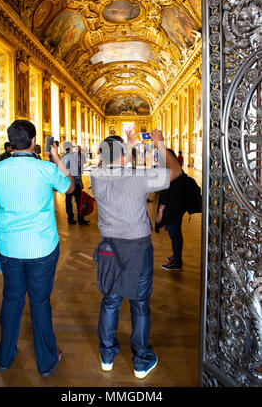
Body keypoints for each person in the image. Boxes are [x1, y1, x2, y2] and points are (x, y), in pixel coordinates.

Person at [0, 120, 74, 377]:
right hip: (42, 249)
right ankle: (46, 361)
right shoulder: (45, 169)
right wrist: (56, 158)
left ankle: (5, 356)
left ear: (10, 144)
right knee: (40, 302)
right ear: (33, 142)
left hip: (9, 249)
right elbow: (70, 188)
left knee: (11, 300)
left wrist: (5, 233)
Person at [91, 128, 182, 379]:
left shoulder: (96, 176)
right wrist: (160, 145)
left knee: (110, 301)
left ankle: (107, 355)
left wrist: (125, 148)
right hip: (137, 248)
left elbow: (111, 164)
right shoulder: (140, 178)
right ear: (122, 156)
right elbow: (175, 172)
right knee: (140, 304)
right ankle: (141, 360)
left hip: (109, 248)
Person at [155, 149, 185, 271]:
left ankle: (177, 261)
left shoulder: (169, 172)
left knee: (175, 234)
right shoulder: (175, 170)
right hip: (176, 206)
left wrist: (160, 211)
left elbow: (166, 193)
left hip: (172, 208)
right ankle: (176, 256)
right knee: (175, 234)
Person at [61, 142, 89, 225]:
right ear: (69, 147)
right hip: (74, 182)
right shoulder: (73, 157)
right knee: (78, 201)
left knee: (69, 201)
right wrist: (80, 180)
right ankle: (80, 219)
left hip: (68, 182)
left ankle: (71, 219)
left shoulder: (63, 157)